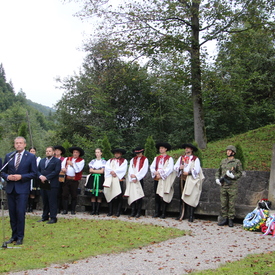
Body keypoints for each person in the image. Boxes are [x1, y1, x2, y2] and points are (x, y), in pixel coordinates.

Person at [1, 136, 37, 245]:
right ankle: (14, 236)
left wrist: (21, 176)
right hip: (11, 188)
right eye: (16, 143)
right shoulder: (9, 156)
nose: (18, 145)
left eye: (20, 143)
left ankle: (20, 236)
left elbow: (34, 173)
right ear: (14, 144)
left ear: (24, 144)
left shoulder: (30, 157)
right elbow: (2, 171)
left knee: (20, 212)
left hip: (22, 189)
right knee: (12, 213)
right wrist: (8, 177)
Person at [174, 143, 205, 222]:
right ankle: (182, 214)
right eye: (186, 148)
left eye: (188, 148)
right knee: (181, 197)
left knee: (190, 196)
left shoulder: (195, 159)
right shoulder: (181, 158)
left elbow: (197, 169)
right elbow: (175, 167)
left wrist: (188, 173)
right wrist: (179, 168)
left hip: (190, 180)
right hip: (182, 179)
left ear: (191, 150)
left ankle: (191, 215)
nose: (186, 149)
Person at [215, 145, 243, 227]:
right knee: (223, 203)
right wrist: (217, 179)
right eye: (227, 150)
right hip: (223, 185)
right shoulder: (223, 161)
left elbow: (240, 173)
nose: (228, 152)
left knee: (231, 204)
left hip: (232, 186)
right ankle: (225, 219)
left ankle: (231, 219)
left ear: (233, 152)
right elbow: (218, 171)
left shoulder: (237, 162)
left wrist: (233, 176)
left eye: (229, 151)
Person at [150, 142, 176, 219]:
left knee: (164, 195)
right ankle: (157, 212)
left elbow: (170, 168)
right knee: (157, 195)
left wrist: (161, 174)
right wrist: (155, 172)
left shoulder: (169, 158)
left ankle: (164, 212)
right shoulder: (156, 158)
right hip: (157, 178)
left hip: (164, 179)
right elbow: (152, 167)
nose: (160, 150)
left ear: (165, 149)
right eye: (160, 148)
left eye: (162, 148)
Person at [37, 146, 61, 224]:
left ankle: (53, 217)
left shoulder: (57, 161)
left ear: (53, 152)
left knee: (52, 201)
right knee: (45, 200)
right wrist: (40, 176)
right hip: (43, 183)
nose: (48, 152)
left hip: (52, 184)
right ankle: (45, 216)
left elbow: (56, 171)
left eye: (49, 151)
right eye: (47, 151)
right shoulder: (42, 161)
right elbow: (38, 170)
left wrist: (46, 177)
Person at [124, 146, 149, 218]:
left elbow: (144, 169)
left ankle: (139, 212)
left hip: (139, 179)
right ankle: (133, 211)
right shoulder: (133, 159)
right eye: (137, 153)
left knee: (139, 195)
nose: (138, 155)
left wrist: (136, 177)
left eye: (139, 153)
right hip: (132, 179)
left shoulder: (145, 159)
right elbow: (130, 168)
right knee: (133, 194)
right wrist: (132, 176)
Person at [103, 148, 127, 217]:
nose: (117, 154)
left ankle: (118, 211)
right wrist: (112, 172)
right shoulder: (110, 161)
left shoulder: (123, 161)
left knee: (119, 195)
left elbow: (123, 169)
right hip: (111, 179)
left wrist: (115, 172)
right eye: (116, 153)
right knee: (110, 194)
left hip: (119, 180)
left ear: (121, 154)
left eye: (118, 153)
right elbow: (107, 168)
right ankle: (110, 211)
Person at [61, 146, 85, 215]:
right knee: (65, 194)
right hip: (67, 179)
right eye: (74, 152)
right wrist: (63, 169)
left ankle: (72, 210)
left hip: (74, 180)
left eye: (77, 152)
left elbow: (78, 170)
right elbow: (62, 165)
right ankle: (65, 210)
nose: (75, 153)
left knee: (74, 195)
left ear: (79, 154)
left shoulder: (81, 160)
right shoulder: (67, 159)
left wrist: (72, 164)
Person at [85, 148, 107, 215]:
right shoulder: (92, 161)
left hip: (100, 178)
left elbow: (102, 171)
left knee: (99, 194)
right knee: (93, 194)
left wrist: (94, 170)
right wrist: (97, 171)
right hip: (93, 178)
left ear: (101, 153)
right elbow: (90, 170)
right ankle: (93, 210)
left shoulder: (104, 161)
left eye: (98, 152)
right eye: (96, 152)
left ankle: (97, 210)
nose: (97, 154)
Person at [27, 147, 41, 212]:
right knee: (27, 192)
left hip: (34, 177)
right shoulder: (26, 159)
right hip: (27, 177)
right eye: (31, 151)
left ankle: (31, 207)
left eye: (33, 151)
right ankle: (27, 206)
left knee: (33, 192)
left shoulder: (38, 159)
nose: (32, 152)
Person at [54, 145, 66, 213]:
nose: (57, 151)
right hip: (53, 177)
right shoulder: (52, 158)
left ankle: (59, 207)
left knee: (59, 193)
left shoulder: (63, 159)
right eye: (55, 150)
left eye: (58, 150)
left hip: (60, 177)